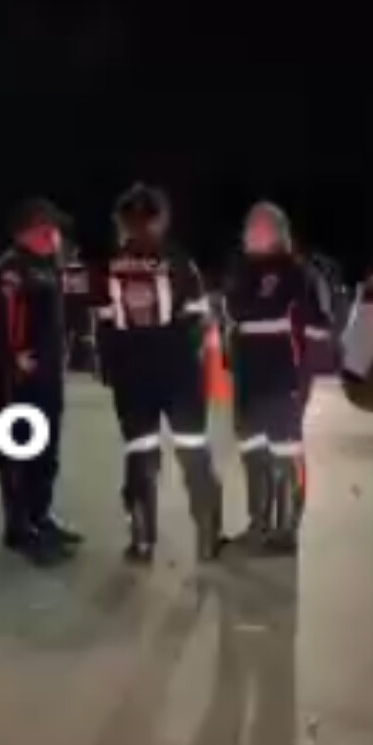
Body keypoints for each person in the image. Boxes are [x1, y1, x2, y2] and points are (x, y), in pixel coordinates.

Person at [96, 184, 224, 563]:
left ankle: (142, 539)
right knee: (193, 451)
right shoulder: (179, 261)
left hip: (133, 375)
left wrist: (110, 366)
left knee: (141, 454)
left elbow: (102, 324)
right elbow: (200, 318)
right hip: (179, 372)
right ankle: (208, 535)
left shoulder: (110, 266)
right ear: (161, 220)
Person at [222, 203, 338, 553]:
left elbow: (319, 329)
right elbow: (231, 320)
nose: (250, 232)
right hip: (248, 381)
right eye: (249, 226)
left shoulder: (298, 273)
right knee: (252, 452)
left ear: (277, 232)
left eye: (259, 226)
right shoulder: (240, 271)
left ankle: (287, 530)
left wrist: (306, 377)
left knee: (285, 454)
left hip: (283, 379)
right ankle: (258, 524)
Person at [0, 198, 82, 562]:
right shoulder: (11, 268)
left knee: (46, 447)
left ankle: (40, 517)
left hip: (47, 375)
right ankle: (19, 527)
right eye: (50, 228)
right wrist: (13, 358)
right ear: (33, 229)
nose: (56, 235)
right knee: (19, 448)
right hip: (17, 377)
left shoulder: (48, 266)